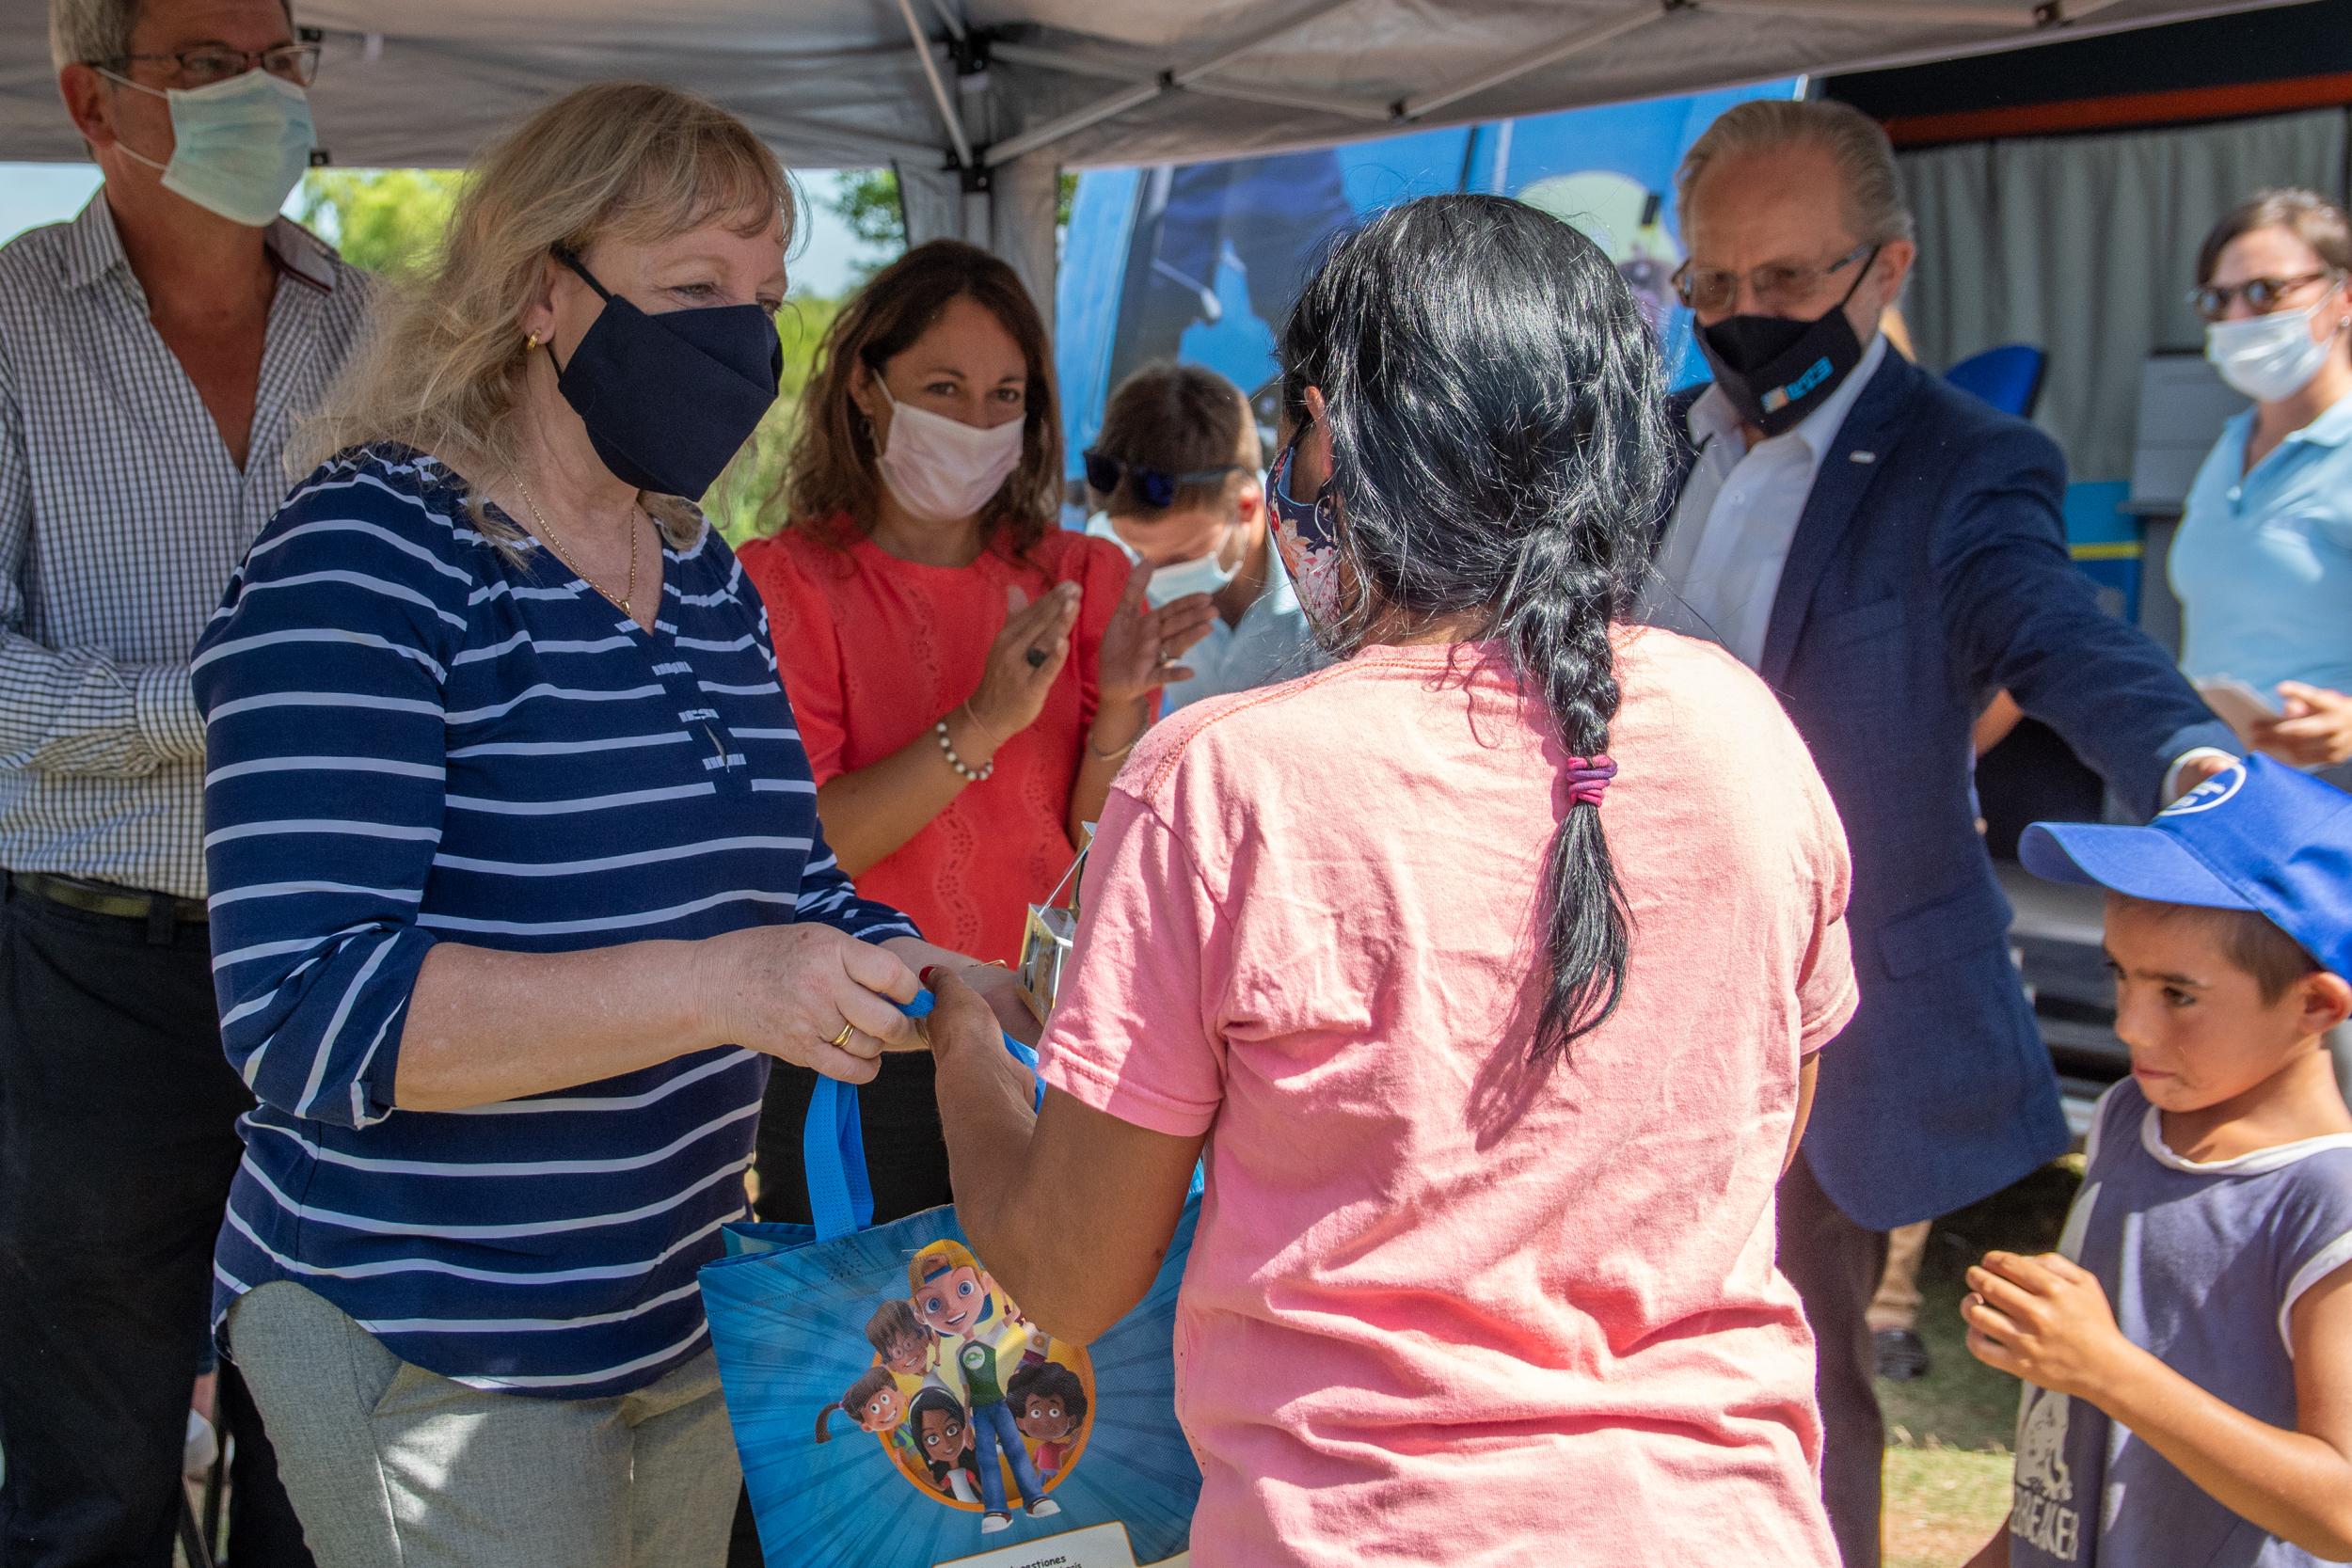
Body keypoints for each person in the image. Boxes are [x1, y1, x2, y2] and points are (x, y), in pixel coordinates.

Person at [926, 193, 1857, 1566]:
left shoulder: (1220, 781)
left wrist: (963, 1044)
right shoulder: (1747, 733)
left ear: (1329, 437)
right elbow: (1756, 1128)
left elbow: (1068, 1269)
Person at [192, 81, 1023, 1568]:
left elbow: (785, 889)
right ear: (536, 294)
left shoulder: (697, 575)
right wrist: (720, 987)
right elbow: (304, 1009)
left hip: (671, 1313)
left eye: (762, 297)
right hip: (435, 1336)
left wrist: (948, 979)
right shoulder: (367, 553)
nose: (739, 341)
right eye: (689, 288)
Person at [1641, 99, 2243, 1566]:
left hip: (1810, 1019)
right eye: (1712, 287)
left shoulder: (1961, 466)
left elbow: (2062, 636)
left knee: (1790, 1381)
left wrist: (2201, 766)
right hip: (1623, 997)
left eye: (1786, 283)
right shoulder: (1643, 447)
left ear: (1887, 268)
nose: (1745, 317)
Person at [0, 1, 363, 1560]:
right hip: (93, 970)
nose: (264, 98)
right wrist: (215, 705)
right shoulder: (10, 322)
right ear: (93, 102)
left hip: (354, 976)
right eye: (212, 70)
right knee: (89, 1488)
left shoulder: (396, 330)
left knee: (335, 1477)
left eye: (283, 60)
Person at [737, 243, 1213, 1227]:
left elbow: (1100, 851)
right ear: (865, 385)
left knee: (1052, 1376)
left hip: (1048, 1049)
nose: (978, 423)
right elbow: (802, 848)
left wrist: (1120, 705)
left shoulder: (1082, 576)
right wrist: (982, 721)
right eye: (943, 387)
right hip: (857, 1051)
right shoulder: (786, 581)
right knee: (868, 1372)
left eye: (1007, 394)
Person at [1960, 756, 2352, 1566]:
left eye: (2178, 993)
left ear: (2316, 1004)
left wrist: (2106, 1369)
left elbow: (2342, 1512)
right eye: (2120, 973)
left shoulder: (2328, 1201)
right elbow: (2070, 1447)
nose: (2132, 1026)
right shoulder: (2130, 1116)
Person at [2172, 190, 2352, 793]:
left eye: (2265, 292)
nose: (2238, 320)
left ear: (2344, 295)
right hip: (2231, 794)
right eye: (2217, 300)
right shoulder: (2229, 446)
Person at [1081, 361, 1326, 709]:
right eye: (1137, 551)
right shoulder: (1108, 573)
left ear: (1246, 506)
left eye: (1181, 557)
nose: (1150, 574)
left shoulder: (1329, 589)